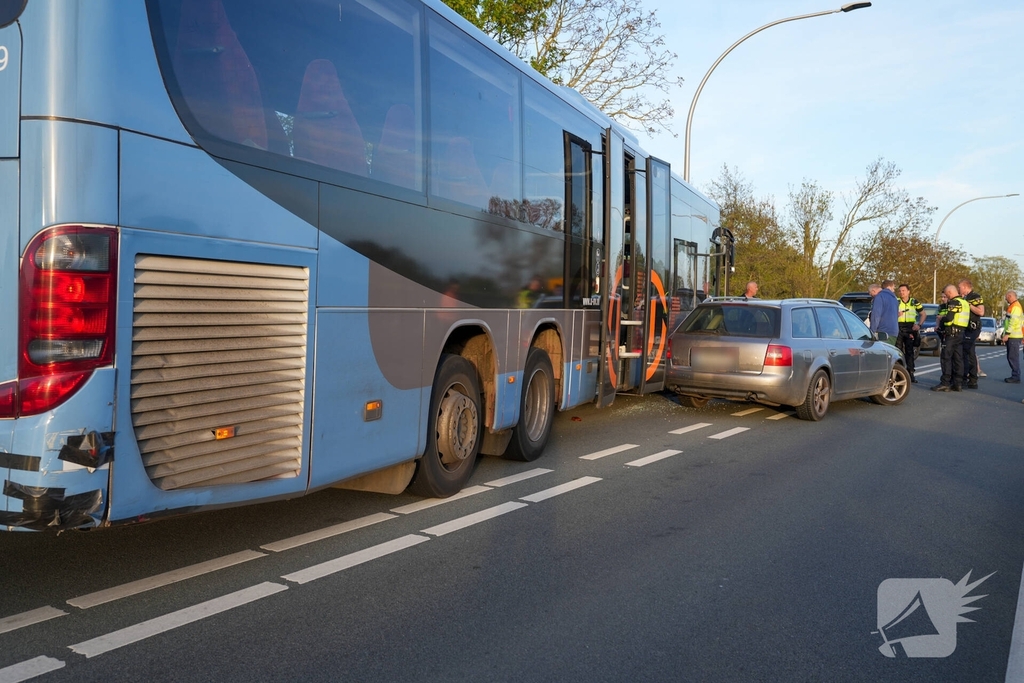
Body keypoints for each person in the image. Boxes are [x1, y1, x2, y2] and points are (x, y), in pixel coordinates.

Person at [932, 284, 969, 392]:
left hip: (952, 333)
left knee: (946, 357)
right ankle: (958, 383)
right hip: (961, 333)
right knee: (958, 359)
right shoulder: (965, 302)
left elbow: (949, 318)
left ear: (949, 293)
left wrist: (941, 318)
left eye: (947, 295)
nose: (946, 297)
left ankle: (945, 382)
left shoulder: (954, 302)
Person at [896, 283, 926, 383]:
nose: (901, 292)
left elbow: (923, 314)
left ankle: (910, 373)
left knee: (909, 352)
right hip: (898, 328)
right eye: (900, 291)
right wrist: (896, 315)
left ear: (908, 291)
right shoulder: (896, 302)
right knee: (898, 351)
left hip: (910, 328)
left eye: (903, 290)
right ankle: (898, 373)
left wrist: (919, 325)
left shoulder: (914, 302)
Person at [957, 279, 984, 389]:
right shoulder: (962, 298)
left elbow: (981, 312)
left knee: (968, 353)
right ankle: (967, 378)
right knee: (965, 352)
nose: (958, 289)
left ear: (965, 287)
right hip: (964, 328)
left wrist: (969, 305)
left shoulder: (975, 296)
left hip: (972, 329)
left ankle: (971, 379)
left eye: (959, 287)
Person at [1002, 290, 1023, 383]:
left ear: (1010, 296)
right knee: (1011, 356)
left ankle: (1015, 376)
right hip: (1013, 335)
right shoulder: (1013, 306)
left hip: (1014, 335)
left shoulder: (1015, 307)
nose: (1006, 299)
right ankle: (1015, 375)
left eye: (1006, 297)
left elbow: (1013, 322)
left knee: (1013, 356)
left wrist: (1007, 334)